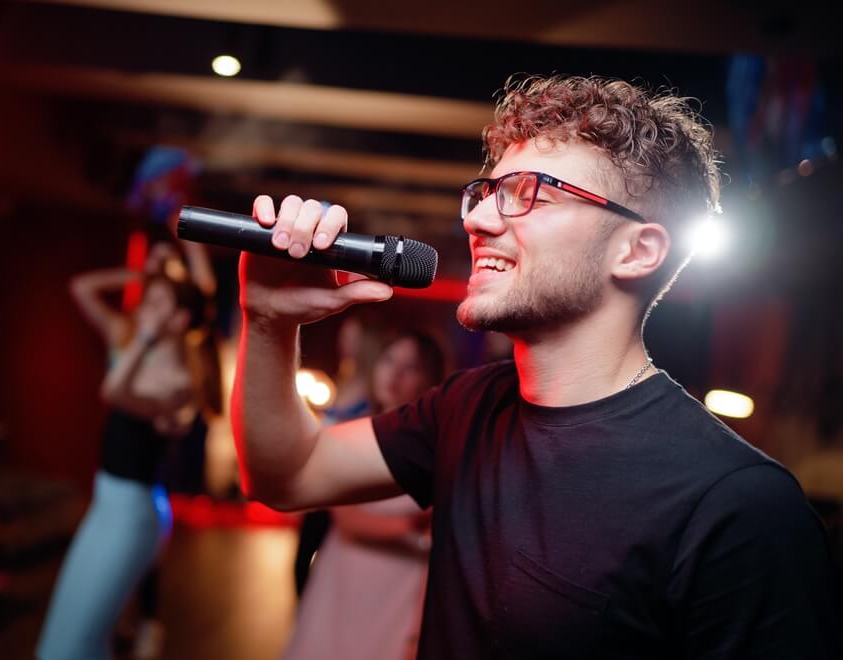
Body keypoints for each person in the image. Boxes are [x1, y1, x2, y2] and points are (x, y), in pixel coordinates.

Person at [231, 75, 840, 658]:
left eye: (531, 194)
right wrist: (267, 321)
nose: (476, 220)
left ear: (637, 250)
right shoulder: (468, 406)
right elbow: (288, 474)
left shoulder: (739, 505)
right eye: (488, 192)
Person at [37, 240, 222, 660]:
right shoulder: (133, 343)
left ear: (179, 319)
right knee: (63, 638)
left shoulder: (179, 379)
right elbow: (81, 288)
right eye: (148, 297)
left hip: (134, 514)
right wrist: (143, 277)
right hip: (105, 502)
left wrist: (146, 339)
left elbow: (113, 391)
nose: (146, 305)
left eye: (158, 300)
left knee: (77, 641)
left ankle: (148, 629)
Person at [282, 330, 444, 660]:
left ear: (430, 379)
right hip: (343, 578)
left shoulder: (437, 451)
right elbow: (347, 519)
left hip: (399, 590)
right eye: (388, 360)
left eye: (410, 367)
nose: (394, 373)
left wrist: (417, 632)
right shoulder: (351, 432)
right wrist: (415, 531)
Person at [292, 314, 380, 596]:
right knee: (301, 562)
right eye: (344, 336)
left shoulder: (371, 390)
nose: (345, 343)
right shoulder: (343, 380)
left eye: (352, 337)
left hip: (342, 487)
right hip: (319, 481)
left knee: (319, 566)